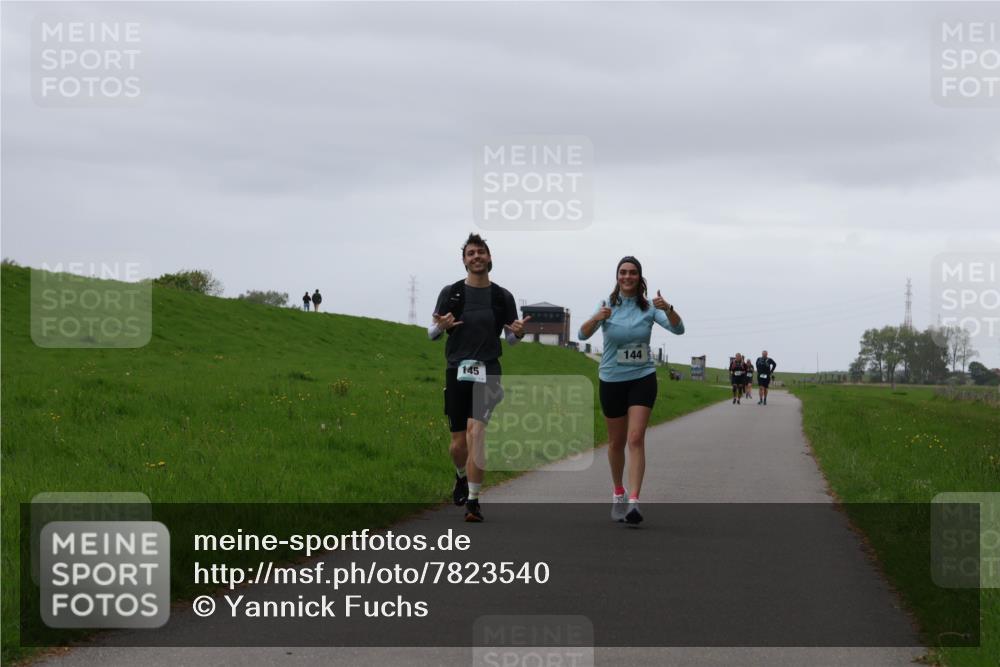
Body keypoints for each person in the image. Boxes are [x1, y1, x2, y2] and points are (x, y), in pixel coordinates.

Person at [428, 233, 530, 522]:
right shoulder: (451, 293)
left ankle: (473, 501)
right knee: (458, 443)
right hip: (457, 369)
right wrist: (441, 326)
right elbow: (431, 333)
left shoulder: (502, 296)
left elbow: (511, 338)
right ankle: (460, 476)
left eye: (481, 252)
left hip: (488, 369)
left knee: (477, 431)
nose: (476, 257)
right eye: (471, 253)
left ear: (489, 258)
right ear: (464, 261)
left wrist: (519, 333)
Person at [578, 256, 684, 525]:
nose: (627, 277)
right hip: (612, 378)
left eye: (632, 273)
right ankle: (618, 493)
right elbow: (581, 335)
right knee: (615, 442)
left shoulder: (649, 307)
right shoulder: (607, 305)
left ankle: (634, 501)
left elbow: (678, 329)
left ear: (640, 277)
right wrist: (597, 318)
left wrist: (668, 307)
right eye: (623, 272)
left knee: (635, 438)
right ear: (617, 277)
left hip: (642, 376)